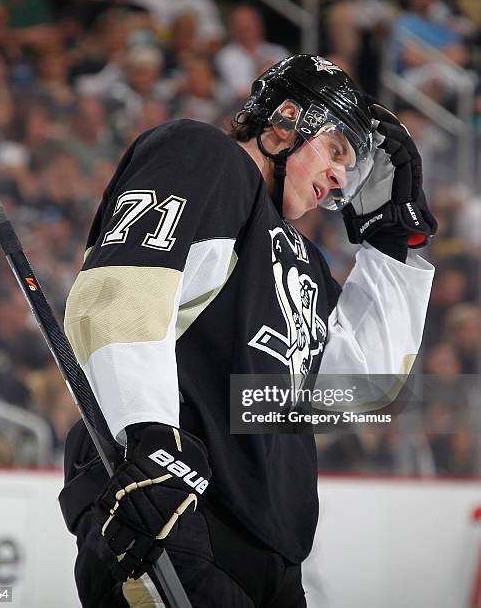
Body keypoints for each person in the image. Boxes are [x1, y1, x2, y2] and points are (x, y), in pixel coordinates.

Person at [59, 54, 437, 607]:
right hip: (177, 516)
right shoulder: (203, 155)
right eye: (335, 150)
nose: (340, 179)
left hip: (273, 559)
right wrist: (149, 437)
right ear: (286, 120)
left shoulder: (303, 259)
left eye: (351, 168)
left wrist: (389, 248)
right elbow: (121, 291)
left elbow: (357, 393)